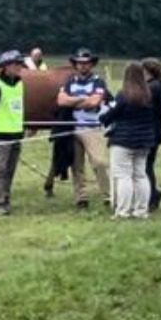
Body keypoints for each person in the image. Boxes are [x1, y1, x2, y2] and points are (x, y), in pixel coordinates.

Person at [101, 62, 158, 218]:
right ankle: (141, 211)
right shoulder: (148, 95)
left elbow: (112, 114)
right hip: (144, 140)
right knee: (140, 175)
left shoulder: (124, 95)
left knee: (123, 176)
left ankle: (123, 211)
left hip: (123, 140)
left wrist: (102, 118)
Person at [57, 48, 110, 209]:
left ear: (91, 64)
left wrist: (72, 100)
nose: (82, 66)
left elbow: (94, 102)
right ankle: (81, 197)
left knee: (99, 162)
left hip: (92, 127)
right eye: (79, 63)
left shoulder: (98, 81)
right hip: (72, 127)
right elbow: (60, 101)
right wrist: (82, 99)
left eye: (86, 63)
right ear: (75, 64)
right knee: (76, 164)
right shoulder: (69, 81)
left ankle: (109, 194)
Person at [0, 50, 28, 215]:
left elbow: (18, 109)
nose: (20, 67)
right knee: (0, 169)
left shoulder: (19, 84)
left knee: (10, 169)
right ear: (6, 67)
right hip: (1, 133)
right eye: (16, 64)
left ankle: (5, 196)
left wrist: (22, 128)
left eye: (20, 64)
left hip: (16, 133)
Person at [141, 58, 161, 210]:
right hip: (156, 130)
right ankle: (152, 194)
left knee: (146, 166)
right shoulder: (159, 86)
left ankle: (152, 196)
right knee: (148, 165)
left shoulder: (152, 88)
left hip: (150, 130)